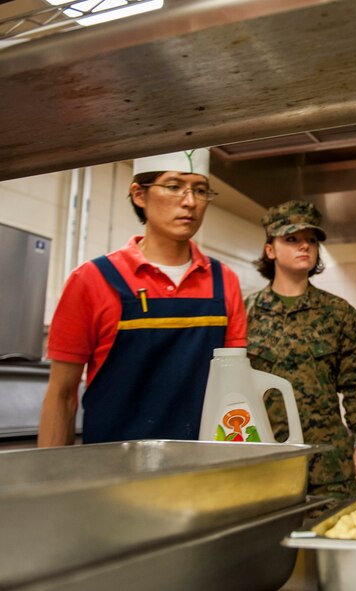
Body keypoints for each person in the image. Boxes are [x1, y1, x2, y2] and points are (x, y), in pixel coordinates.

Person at [38, 148, 247, 446]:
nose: (189, 202)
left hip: (203, 472)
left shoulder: (224, 281)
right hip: (112, 472)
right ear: (139, 194)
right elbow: (61, 395)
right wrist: (51, 480)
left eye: (200, 190)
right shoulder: (92, 279)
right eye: (173, 186)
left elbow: (233, 390)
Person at [246, 200, 356, 502]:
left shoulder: (339, 314)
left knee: (332, 545)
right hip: (265, 464)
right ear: (270, 249)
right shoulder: (245, 314)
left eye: (312, 240)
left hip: (329, 467)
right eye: (291, 239)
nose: (304, 246)